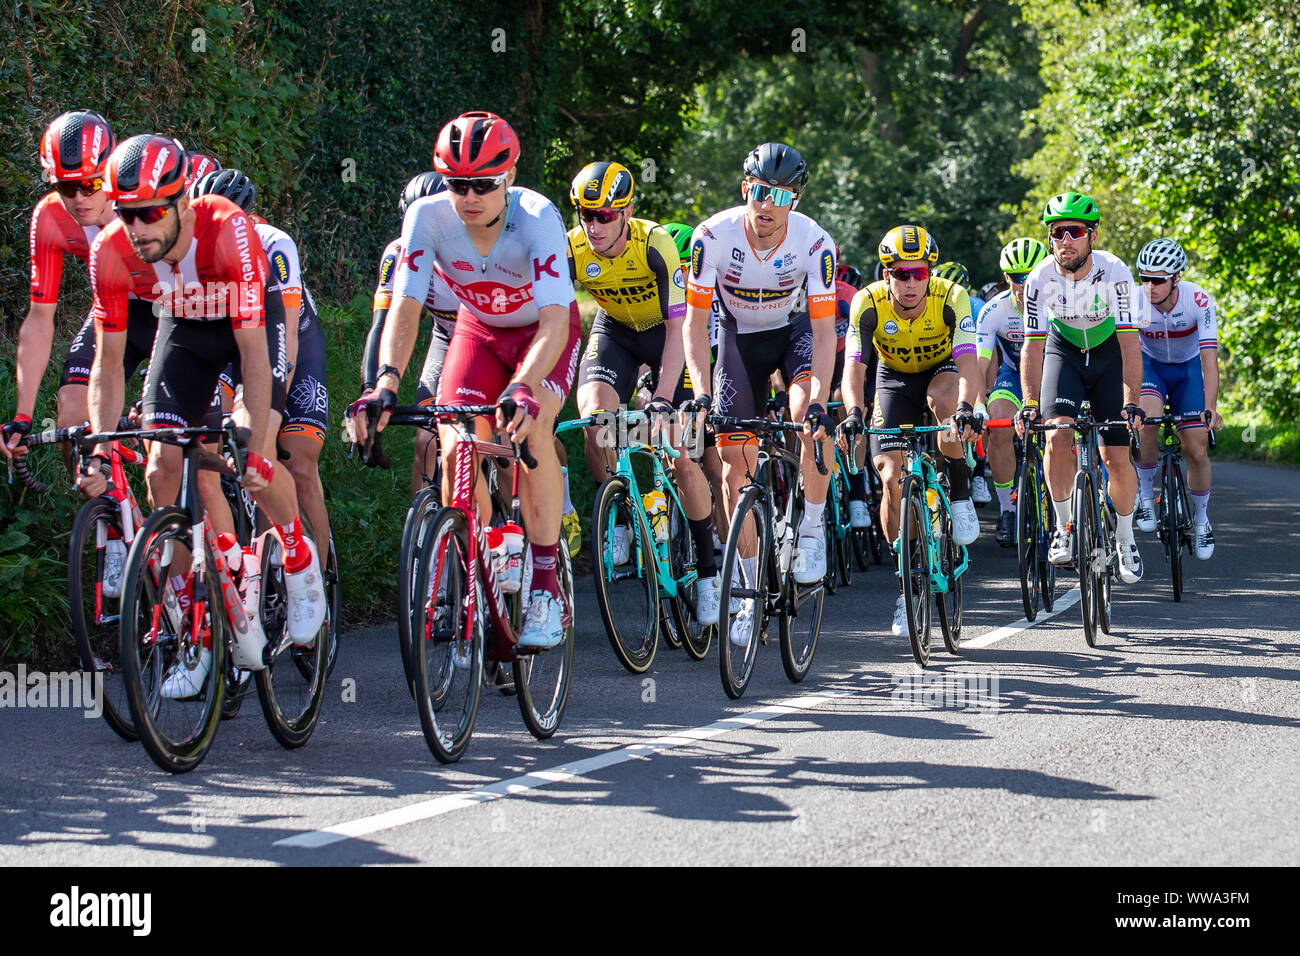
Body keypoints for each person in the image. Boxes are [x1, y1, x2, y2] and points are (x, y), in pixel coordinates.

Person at [87, 134, 326, 696]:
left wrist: (250, 422)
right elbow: (109, 362)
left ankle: (298, 559)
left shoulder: (228, 230)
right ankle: (194, 626)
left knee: (254, 458)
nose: (137, 229)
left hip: (246, 326)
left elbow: (254, 352)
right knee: (160, 467)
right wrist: (100, 444)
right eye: (126, 215)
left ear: (180, 204)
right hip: (186, 330)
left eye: (149, 214)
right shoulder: (112, 252)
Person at [350, 111, 581, 649]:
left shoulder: (538, 216)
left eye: (484, 184)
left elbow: (553, 321)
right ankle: (483, 548)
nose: (469, 196)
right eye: (458, 184)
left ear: (509, 177)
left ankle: (545, 585)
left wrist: (522, 385)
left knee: (533, 427)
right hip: (477, 330)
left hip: (542, 333)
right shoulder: (427, 217)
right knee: (454, 441)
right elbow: (404, 309)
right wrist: (385, 382)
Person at [682, 142, 837, 642]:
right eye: (759, 191)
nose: (767, 204)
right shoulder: (712, 236)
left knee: (806, 418)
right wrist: (702, 394)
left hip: (795, 336)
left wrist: (818, 401)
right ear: (745, 187)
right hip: (737, 340)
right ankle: (749, 595)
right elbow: (695, 321)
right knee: (734, 466)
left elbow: (827, 332)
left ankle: (811, 529)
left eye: (781, 195)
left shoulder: (815, 243)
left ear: (795, 200)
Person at [567, 163, 722, 622]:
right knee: (595, 422)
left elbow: (680, 331)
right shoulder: (572, 248)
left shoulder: (655, 246)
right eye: (585, 214)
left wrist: (662, 396)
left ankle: (709, 572)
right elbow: (552, 317)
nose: (593, 225)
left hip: (663, 334)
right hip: (615, 330)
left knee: (681, 449)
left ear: (627, 212)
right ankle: (615, 512)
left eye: (605, 215)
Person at [189, 167, 334, 571]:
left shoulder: (275, 244)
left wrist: (273, 408)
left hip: (294, 347)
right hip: (234, 347)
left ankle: (316, 580)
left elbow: (284, 337)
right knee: (210, 443)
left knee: (298, 465)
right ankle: (238, 571)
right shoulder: (193, 248)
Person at [842, 225, 982, 636]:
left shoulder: (950, 297)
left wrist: (966, 407)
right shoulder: (867, 303)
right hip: (893, 380)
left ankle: (958, 490)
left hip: (942, 371)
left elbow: (969, 360)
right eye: (900, 274)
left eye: (918, 273)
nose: (910, 283)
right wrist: (853, 411)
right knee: (889, 476)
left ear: (929, 273)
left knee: (946, 410)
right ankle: (906, 582)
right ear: (886, 274)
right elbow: (856, 366)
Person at [1016, 191, 1144, 583]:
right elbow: (1033, 346)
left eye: (1074, 231)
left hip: (1108, 356)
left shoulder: (1115, 271)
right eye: (1057, 232)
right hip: (1064, 352)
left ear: (1093, 235)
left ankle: (1125, 537)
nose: (1065, 240)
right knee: (1056, 437)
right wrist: (1029, 402)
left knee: (1116, 458)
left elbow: (1128, 343)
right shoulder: (1040, 278)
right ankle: (1064, 526)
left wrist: (1132, 402)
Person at [362, 172, 460, 499]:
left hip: (494, 339)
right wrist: (370, 391)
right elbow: (383, 323)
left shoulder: (476, 250)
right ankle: (422, 537)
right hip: (446, 337)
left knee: (501, 442)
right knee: (426, 439)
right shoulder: (398, 254)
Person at [1131, 237, 1223, 558]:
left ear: (1176, 278)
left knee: (1196, 448)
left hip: (1187, 371)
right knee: (1146, 423)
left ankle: (1200, 521)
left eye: (1158, 280)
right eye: (1144, 278)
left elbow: (1210, 362)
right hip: (1151, 367)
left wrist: (1210, 409)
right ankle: (1145, 496)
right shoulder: (1134, 301)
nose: (1150, 286)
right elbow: (1124, 354)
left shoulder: (1198, 300)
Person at [977, 237, 1049, 546]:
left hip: (1051, 373)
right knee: (998, 424)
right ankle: (1008, 509)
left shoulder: (1059, 303)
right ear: (1007, 278)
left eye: (1032, 276)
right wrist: (977, 404)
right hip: (1012, 375)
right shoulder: (994, 310)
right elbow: (979, 364)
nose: (1025, 284)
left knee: (1065, 430)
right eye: (1019, 277)